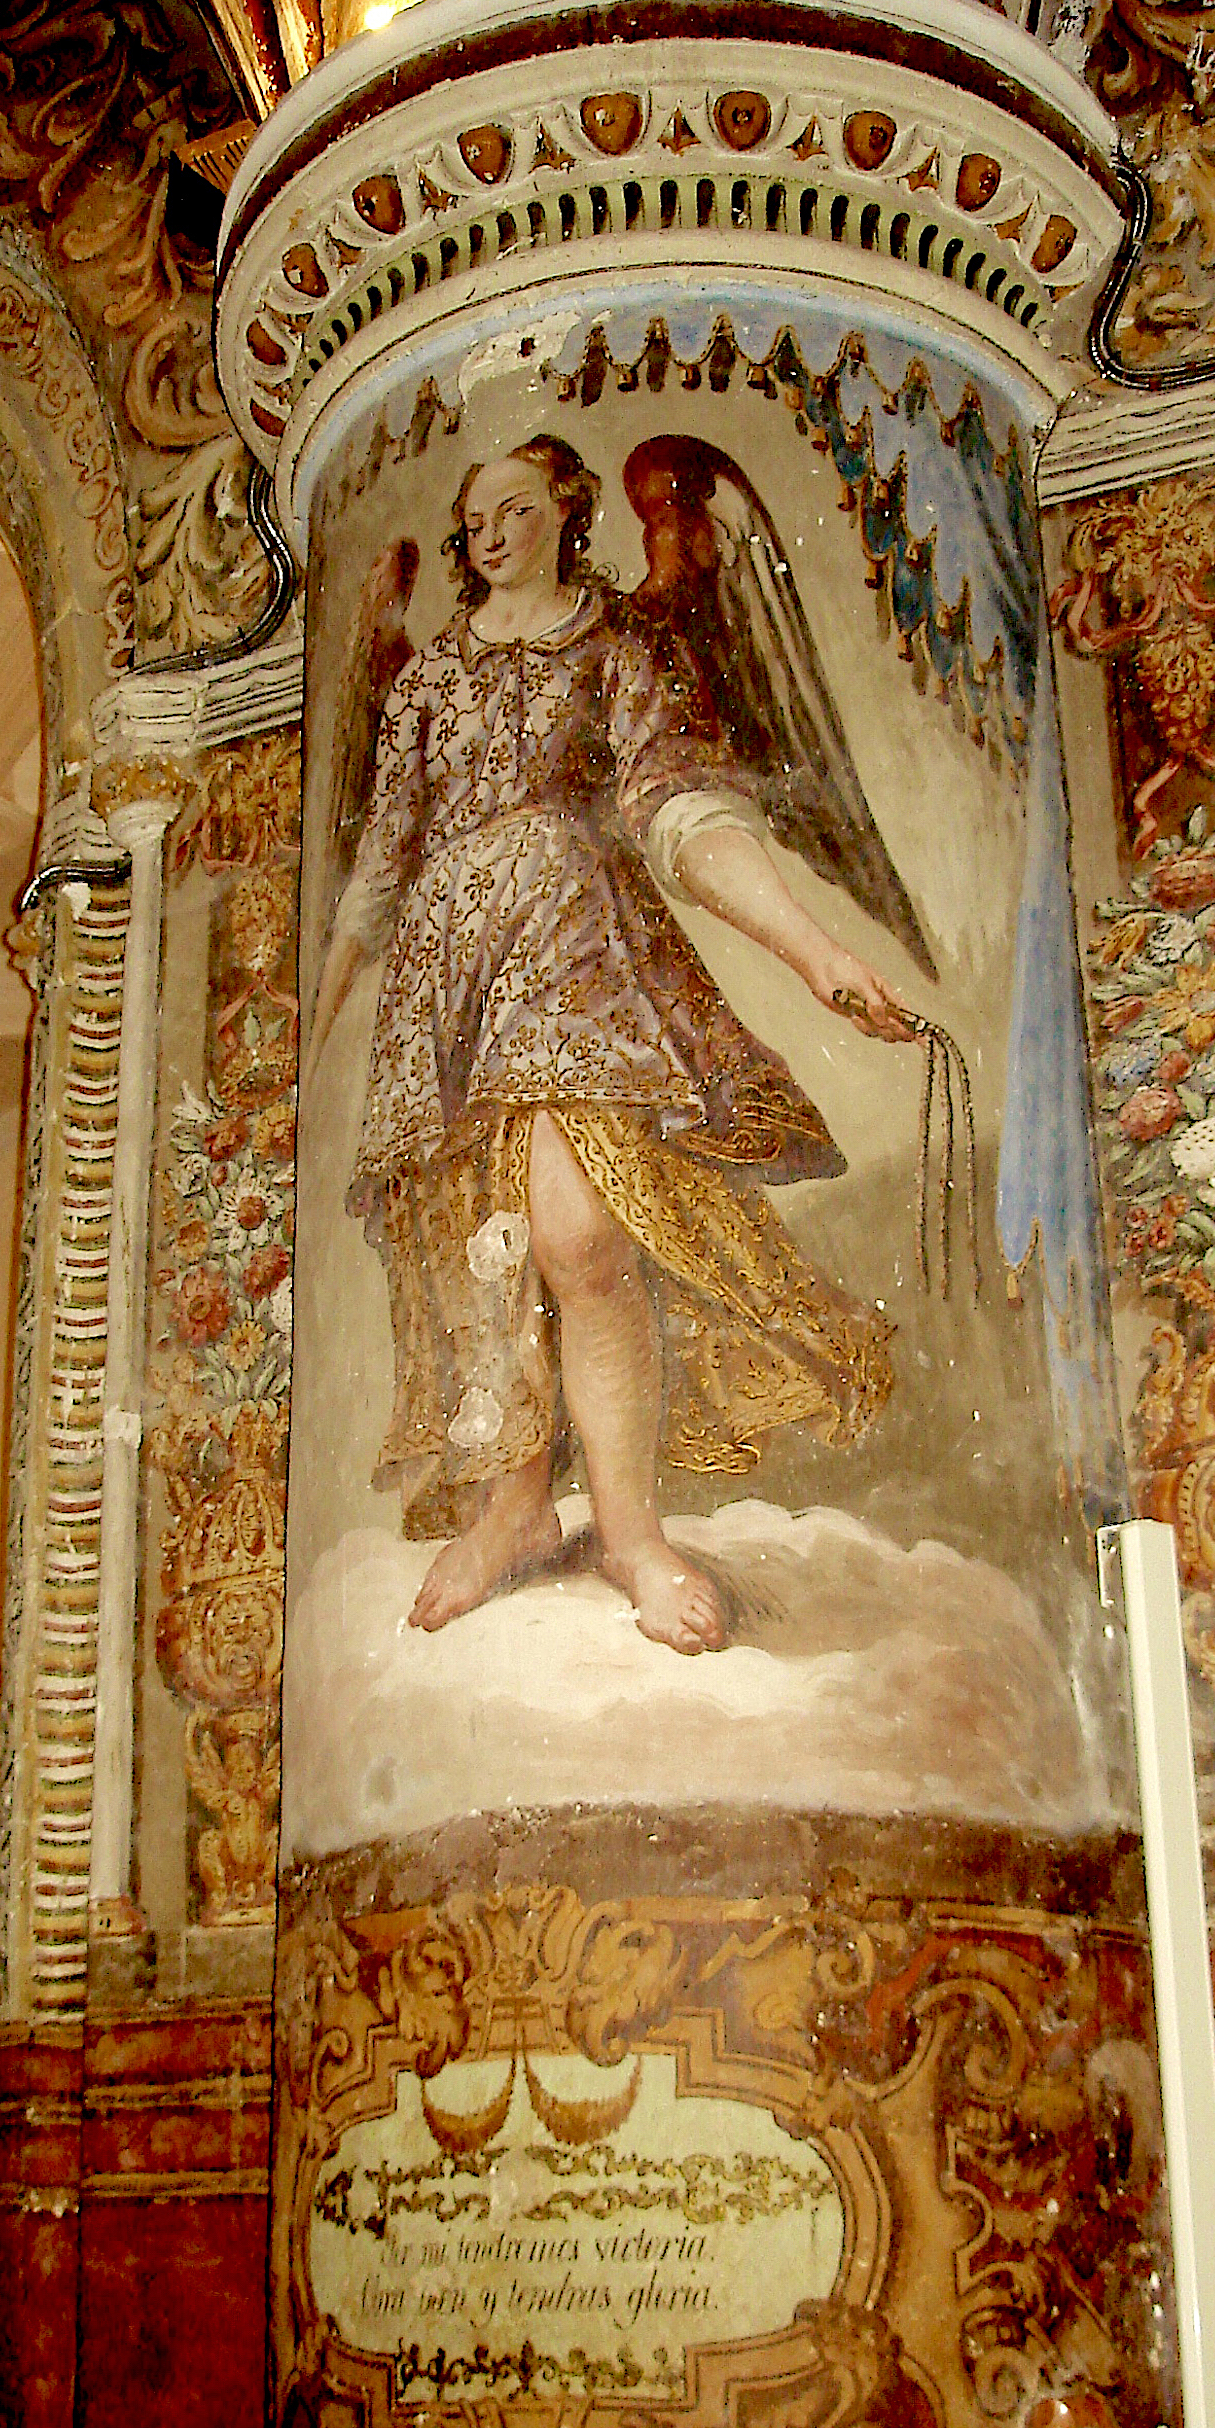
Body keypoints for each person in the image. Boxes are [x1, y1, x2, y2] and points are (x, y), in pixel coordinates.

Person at [308, 435, 916, 1654]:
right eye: (472, 515)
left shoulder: (620, 645)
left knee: (579, 1239)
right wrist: (311, 1031)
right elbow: (379, 862)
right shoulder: (429, 677)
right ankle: (514, 1513)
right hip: (445, 980)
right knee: (479, 1244)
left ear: (565, 516)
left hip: (574, 948)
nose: (487, 535)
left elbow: (680, 811)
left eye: (513, 510)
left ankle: (630, 1530)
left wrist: (813, 951)